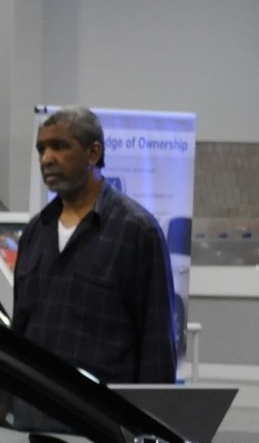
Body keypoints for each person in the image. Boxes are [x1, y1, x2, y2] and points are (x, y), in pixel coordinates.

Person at [10, 107, 177, 385]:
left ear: (93, 153)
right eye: (41, 149)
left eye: (59, 146)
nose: (46, 158)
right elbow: (20, 327)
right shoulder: (35, 232)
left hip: (101, 416)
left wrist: (153, 419)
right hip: (34, 408)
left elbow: (156, 340)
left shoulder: (136, 231)